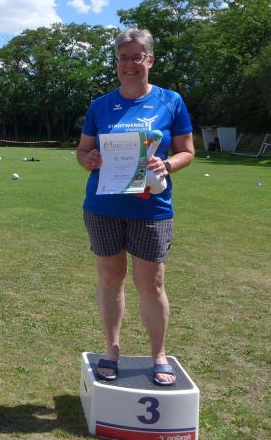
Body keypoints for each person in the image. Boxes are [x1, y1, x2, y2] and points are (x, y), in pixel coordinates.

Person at [76, 28, 194, 386]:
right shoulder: (100, 105)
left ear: (150, 60)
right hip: (104, 207)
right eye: (122, 58)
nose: (129, 64)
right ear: (117, 63)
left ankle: (159, 355)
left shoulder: (170, 101)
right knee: (110, 280)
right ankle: (112, 350)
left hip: (151, 208)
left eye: (136, 57)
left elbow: (187, 151)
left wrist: (167, 164)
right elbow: (82, 151)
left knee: (151, 285)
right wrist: (88, 158)